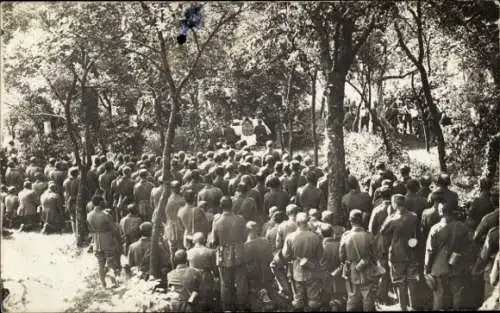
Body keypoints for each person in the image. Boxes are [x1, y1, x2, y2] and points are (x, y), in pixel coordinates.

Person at [424, 201, 470, 310]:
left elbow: (430, 250)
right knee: (457, 293)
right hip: (458, 264)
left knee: (438, 294)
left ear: (441, 212)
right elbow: (467, 247)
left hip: (439, 266)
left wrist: (427, 268)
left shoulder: (435, 228)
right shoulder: (463, 227)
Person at [380, 194, 420, 311]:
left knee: (400, 282)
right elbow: (418, 234)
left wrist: (389, 216)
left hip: (396, 255)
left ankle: (403, 307)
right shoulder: (414, 217)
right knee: (412, 281)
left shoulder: (392, 219)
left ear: (394, 204)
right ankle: (413, 307)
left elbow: (383, 231)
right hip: (412, 253)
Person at [211, 196, 248, 312]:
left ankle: (227, 308)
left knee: (225, 284)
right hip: (239, 252)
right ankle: (242, 306)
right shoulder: (240, 219)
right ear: (232, 205)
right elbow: (245, 236)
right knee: (241, 281)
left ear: (220, 207)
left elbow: (214, 242)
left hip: (223, 255)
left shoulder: (217, 221)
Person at [340, 209, 378, 311]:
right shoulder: (369, 235)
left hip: (351, 269)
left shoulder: (345, 236)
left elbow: (341, 256)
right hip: (367, 268)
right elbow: (375, 255)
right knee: (368, 297)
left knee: (352, 296)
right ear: (361, 220)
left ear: (350, 221)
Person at [87, 195, 122, 288]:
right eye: (103, 201)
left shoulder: (89, 215)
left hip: (96, 241)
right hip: (107, 239)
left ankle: (103, 284)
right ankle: (114, 283)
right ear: (100, 202)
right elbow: (113, 229)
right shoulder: (105, 215)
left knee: (100, 264)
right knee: (111, 262)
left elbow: (90, 229)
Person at [244, 221, 274, 310]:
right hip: (266, 270)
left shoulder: (246, 245)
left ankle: (262, 301)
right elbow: (270, 256)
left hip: (253, 272)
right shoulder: (265, 240)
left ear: (247, 231)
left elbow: (246, 261)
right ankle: (266, 300)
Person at [186, 232, 218, 312]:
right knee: (207, 301)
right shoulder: (211, 252)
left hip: (193, 279)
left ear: (193, 241)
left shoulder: (188, 252)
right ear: (204, 240)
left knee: (195, 301)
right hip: (206, 278)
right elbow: (214, 268)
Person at [320, 224, 347, 311]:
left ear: (321, 234)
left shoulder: (319, 246)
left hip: (323, 279)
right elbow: (343, 261)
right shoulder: (339, 245)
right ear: (332, 233)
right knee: (337, 301)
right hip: (337, 277)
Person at [165, 181, 186, 266]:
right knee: (180, 248)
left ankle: (174, 267)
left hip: (169, 225)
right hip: (179, 225)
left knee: (172, 249)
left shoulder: (166, 199)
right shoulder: (181, 200)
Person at [63, 167, 80, 234]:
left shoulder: (65, 182)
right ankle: (79, 233)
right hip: (76, 200)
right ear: (75, 173)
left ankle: (75, 233)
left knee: (72, 218)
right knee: (78, 217)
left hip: (69, 201)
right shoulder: (77, 181)